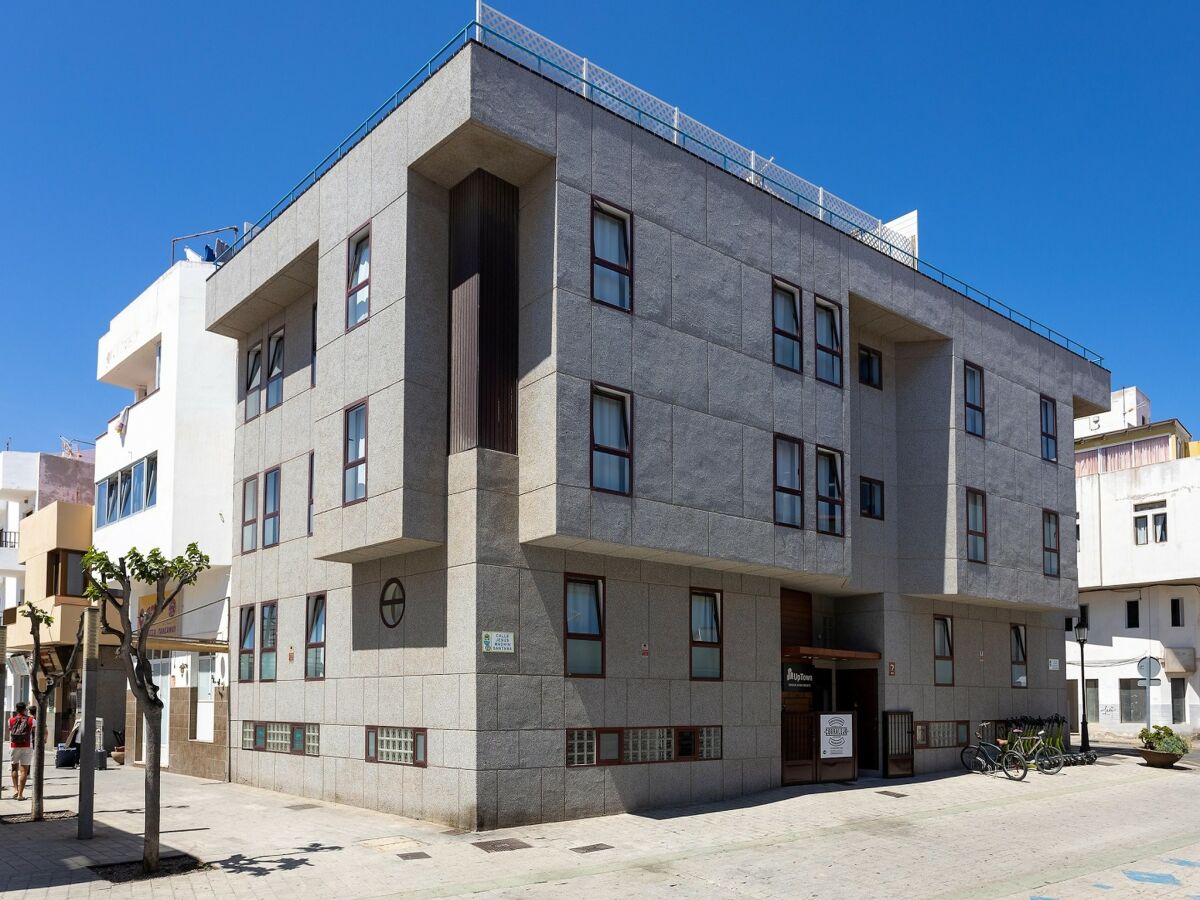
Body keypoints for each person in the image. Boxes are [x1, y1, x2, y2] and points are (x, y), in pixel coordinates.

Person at [8, 702, 35, 801]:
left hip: (14, 746)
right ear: (25, 709)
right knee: (24, 770)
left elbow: (10, 730)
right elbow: (36, 732)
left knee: (14, 768)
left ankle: (15, 790)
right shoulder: (31, 720)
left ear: (16, 709)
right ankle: (20, 794)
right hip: (27, 746)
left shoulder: (10, 720)